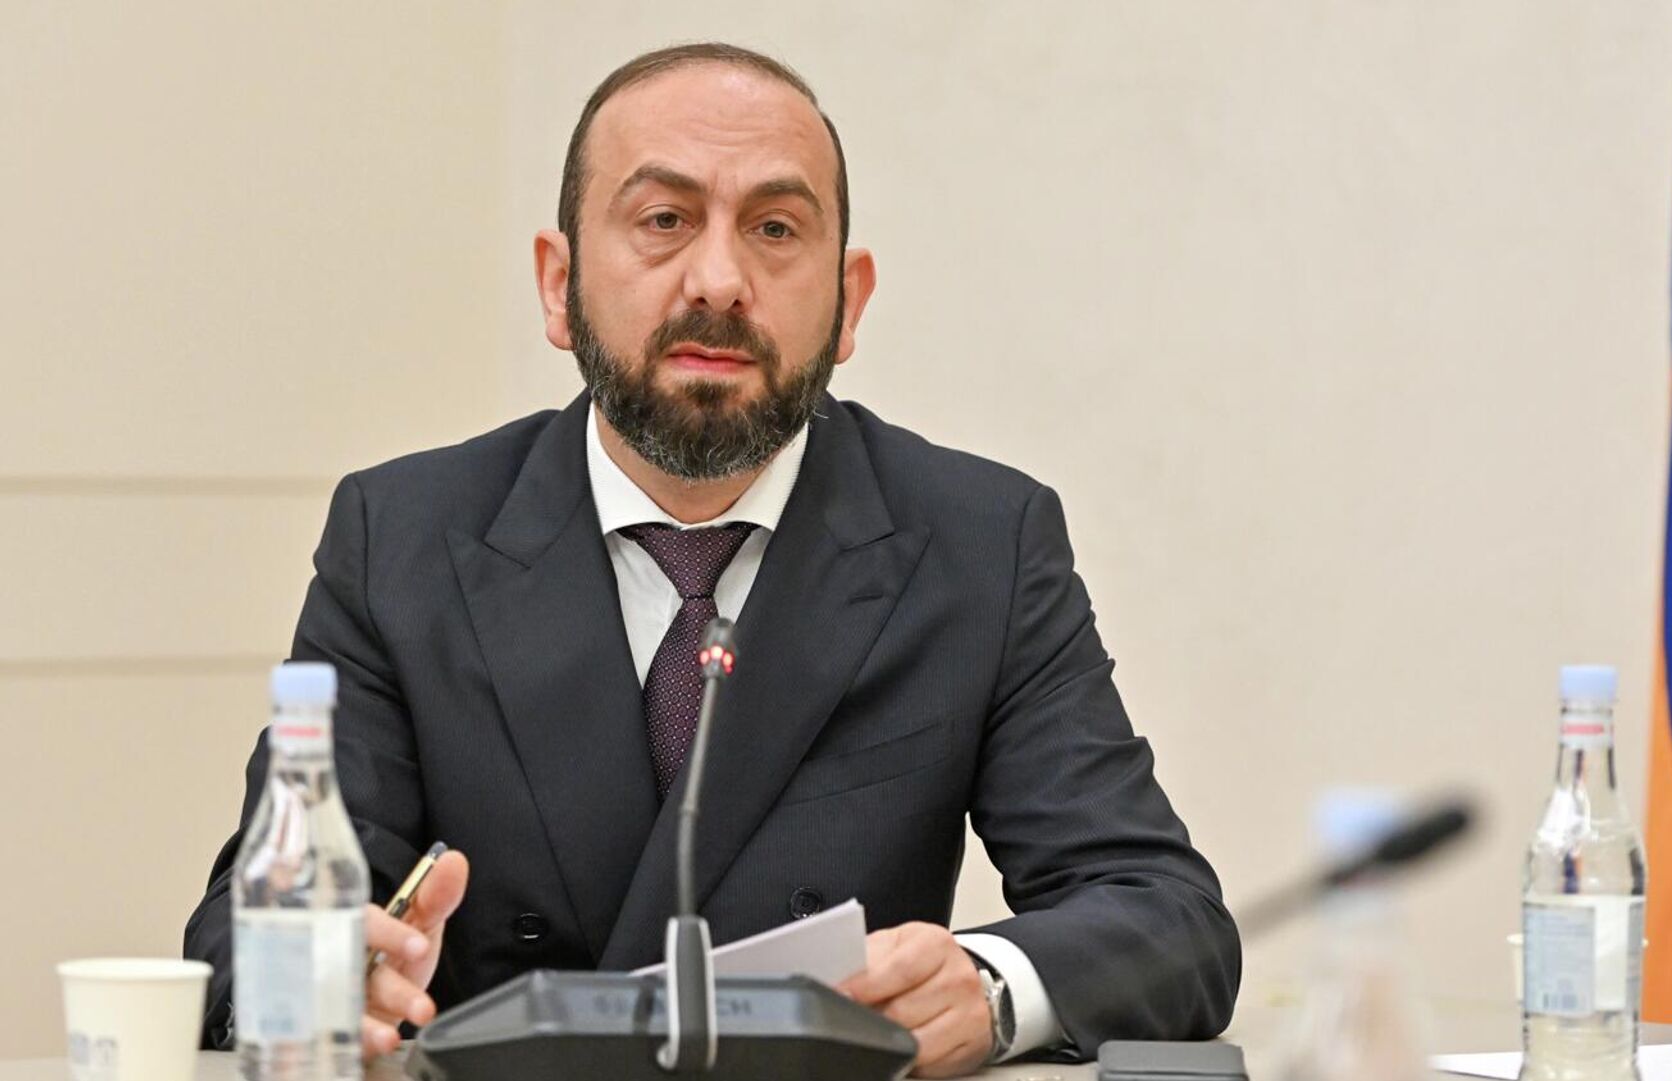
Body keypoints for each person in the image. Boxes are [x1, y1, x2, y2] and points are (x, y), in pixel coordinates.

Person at [184, 42, 1239, 1078]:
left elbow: (1168, 918)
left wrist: (990, 986)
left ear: (849, 302)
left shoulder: (979, 542)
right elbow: (238, 935)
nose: (721, 280)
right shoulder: (404, 536)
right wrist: (327, 979)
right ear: (558, 284)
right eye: (664, 219)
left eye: (776, 229)